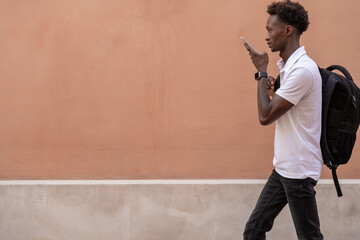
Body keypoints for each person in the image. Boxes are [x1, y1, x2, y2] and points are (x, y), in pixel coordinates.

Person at [242, 1, 324, 239]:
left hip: (298, 171)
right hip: (284, 168)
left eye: (270, 29)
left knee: (309, 237)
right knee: (254, 231)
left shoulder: (303, 71)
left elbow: (265, 116)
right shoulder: (290, 69)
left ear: (287, 31)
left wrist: (262, 71)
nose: (266, 36)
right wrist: (269, 84)